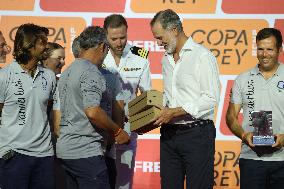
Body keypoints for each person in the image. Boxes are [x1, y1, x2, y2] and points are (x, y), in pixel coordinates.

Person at [150, 9, 220, 189]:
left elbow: (211, 98)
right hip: (169, 134)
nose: (158, 43)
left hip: (197, 134)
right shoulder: (166, 59)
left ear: (174, 30)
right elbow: (170, 95)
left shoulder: (202, 56)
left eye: (160, 37)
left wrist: (176, 111)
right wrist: (154, 110)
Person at [56, 26, 130, 189]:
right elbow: (92, 111)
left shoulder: (68, 71)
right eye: (108, 48)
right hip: (85, 151)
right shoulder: (91, 71)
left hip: (65, 151)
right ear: (103, 46)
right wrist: (117, 131)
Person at [226, 28, 284, 189]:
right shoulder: (242, 79)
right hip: (252, 159)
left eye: (270, 49)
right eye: (260, 49)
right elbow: (231, 117)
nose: (264, 54)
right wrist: (244, 135)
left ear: (280, 49)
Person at [0, 23, 57, 189]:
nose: (46, 46)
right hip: (13, 154)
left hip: (44, 155)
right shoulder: (4, 76)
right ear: (29, 45)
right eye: (42, 42)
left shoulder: (49, 76)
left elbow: (49, 112)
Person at [103, 14, 152, 189]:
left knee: (124, 183)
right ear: (105, 36)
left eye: (122, 37)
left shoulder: (141, 55)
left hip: (127, 131)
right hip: (100, 129)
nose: (119, 42)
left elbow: (147, 95)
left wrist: (142, 121)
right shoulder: (97, 55)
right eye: (114, 38)